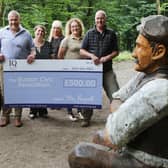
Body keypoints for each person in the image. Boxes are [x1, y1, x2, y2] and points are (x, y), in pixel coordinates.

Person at [68, 15, 168, 168]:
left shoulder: (160, 88)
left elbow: (113, 135)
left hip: (147, 161)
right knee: (98, 136)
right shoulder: (145, 74)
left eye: (139, 46)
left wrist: (120, 116)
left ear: (158, 52)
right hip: (133, 146)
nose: (134, 53)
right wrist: (123, 113)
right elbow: (118, 97)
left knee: (79, 154)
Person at [79, 10, 119, 127]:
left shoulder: (111, 34)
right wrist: (91, 56)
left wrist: (107, 57)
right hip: (92, 71)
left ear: (105, 19)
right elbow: (82, 51)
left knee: (115, 94)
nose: (99, 20)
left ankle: (118, 118)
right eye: (97, 18)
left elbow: (116, 51)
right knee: (88, 95)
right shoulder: (89, 33)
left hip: (107, 70)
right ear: (95, 20)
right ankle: (86, 118)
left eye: (101, 18)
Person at [0, 10, 35, 127]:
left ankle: (18, 117)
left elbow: (33, 49)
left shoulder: (26, 33)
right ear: (8, 20)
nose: (13, 22)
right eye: (11, 19)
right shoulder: (2, 32)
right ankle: (5, 116)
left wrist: (32, 55)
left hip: (20, 68)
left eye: (15, 19)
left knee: (18, 92)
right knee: (5, 93)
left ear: (19, 20)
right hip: (4, 67)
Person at [58, 18, 85, 122]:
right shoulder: (66, 40)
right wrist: (63, 68)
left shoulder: (84, 39)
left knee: (79, 91)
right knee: (69, 91)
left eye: (76, 26)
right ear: (70, 28)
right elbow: (60, 55)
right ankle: (70, 112)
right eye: (72, 26)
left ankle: (79, 110)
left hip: (81, 70)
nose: (75, 28)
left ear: (80, 27)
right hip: (69, 70)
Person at [29, 25, 52, 119]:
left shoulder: (48, 44)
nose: (40, 33)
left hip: (45, 72)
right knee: (33, 91)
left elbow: (51, 57)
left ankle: (43, 110)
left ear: (44, 33)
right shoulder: (30, 44)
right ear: (34, 32)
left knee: (44, 91)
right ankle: (33, 111)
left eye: (42, 31)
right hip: (32, 72)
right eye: (38, 31)